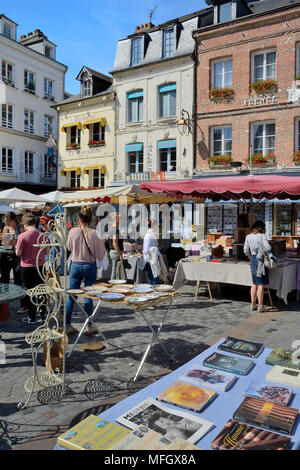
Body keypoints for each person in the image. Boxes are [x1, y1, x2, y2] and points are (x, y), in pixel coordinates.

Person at [66, 205, 106, 336]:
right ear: (91, 219)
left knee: (71, 296)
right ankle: (89, 326)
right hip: (89, 265)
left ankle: (67, 325)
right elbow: (100, 254)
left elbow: (69, 248)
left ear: (79, 218)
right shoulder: (95, 234)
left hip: (76, 265)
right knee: (89, 296)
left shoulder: (72, 231)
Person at [15, 213, 48, 324]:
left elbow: (18, 253)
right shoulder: (43, 235)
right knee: (42, 290)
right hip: (40, 266)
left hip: (27, 267)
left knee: (29, 292)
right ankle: (43, 314)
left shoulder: (22, 236)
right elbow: (46, 252)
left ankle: (32, 317)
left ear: (25, 224)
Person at [0, 212, 27, 314]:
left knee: (18, 281)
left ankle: (23, 305)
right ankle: (5, 304)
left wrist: (15, 243)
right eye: (6, 222)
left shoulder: (20, 228)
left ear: (14, 220)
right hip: (6, 255)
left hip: (16, 257)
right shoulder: (6, 228)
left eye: (9, 222)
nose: (7, 224)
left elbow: (24, 244)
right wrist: (5, 242)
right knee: (4, 279)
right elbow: (3, 242)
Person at [243, 220, 271, 313]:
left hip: (253, 259)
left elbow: (245, 250)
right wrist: (261, 249)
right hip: (261, 259)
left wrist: (249, 255)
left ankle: (252, 304)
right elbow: (267, 247)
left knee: (254, 283)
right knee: (261, 283)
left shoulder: (248, 236)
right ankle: (260, 306)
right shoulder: (262, 236)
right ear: (262, 228)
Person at [108, 212, 126, 280]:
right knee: (115, 271)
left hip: (113, 251)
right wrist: (120, 255)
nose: (122, 220)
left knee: (115, 270)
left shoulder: (113, 228)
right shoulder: (115, 229)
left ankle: (114, 284)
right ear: (116, 219)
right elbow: (115, 243)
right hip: (115, 252)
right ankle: (113, 285)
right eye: (120, 218)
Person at [143, 219, 160, 286]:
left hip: (152, 260)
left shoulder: (151, 235)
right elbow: (146, 250)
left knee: (153, 279)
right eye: (157, 225)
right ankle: (153, 294)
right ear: (153, 226)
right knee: (153, 280)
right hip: (151, 261)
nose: (158, 227)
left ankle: (153, 293)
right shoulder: (149, 236)